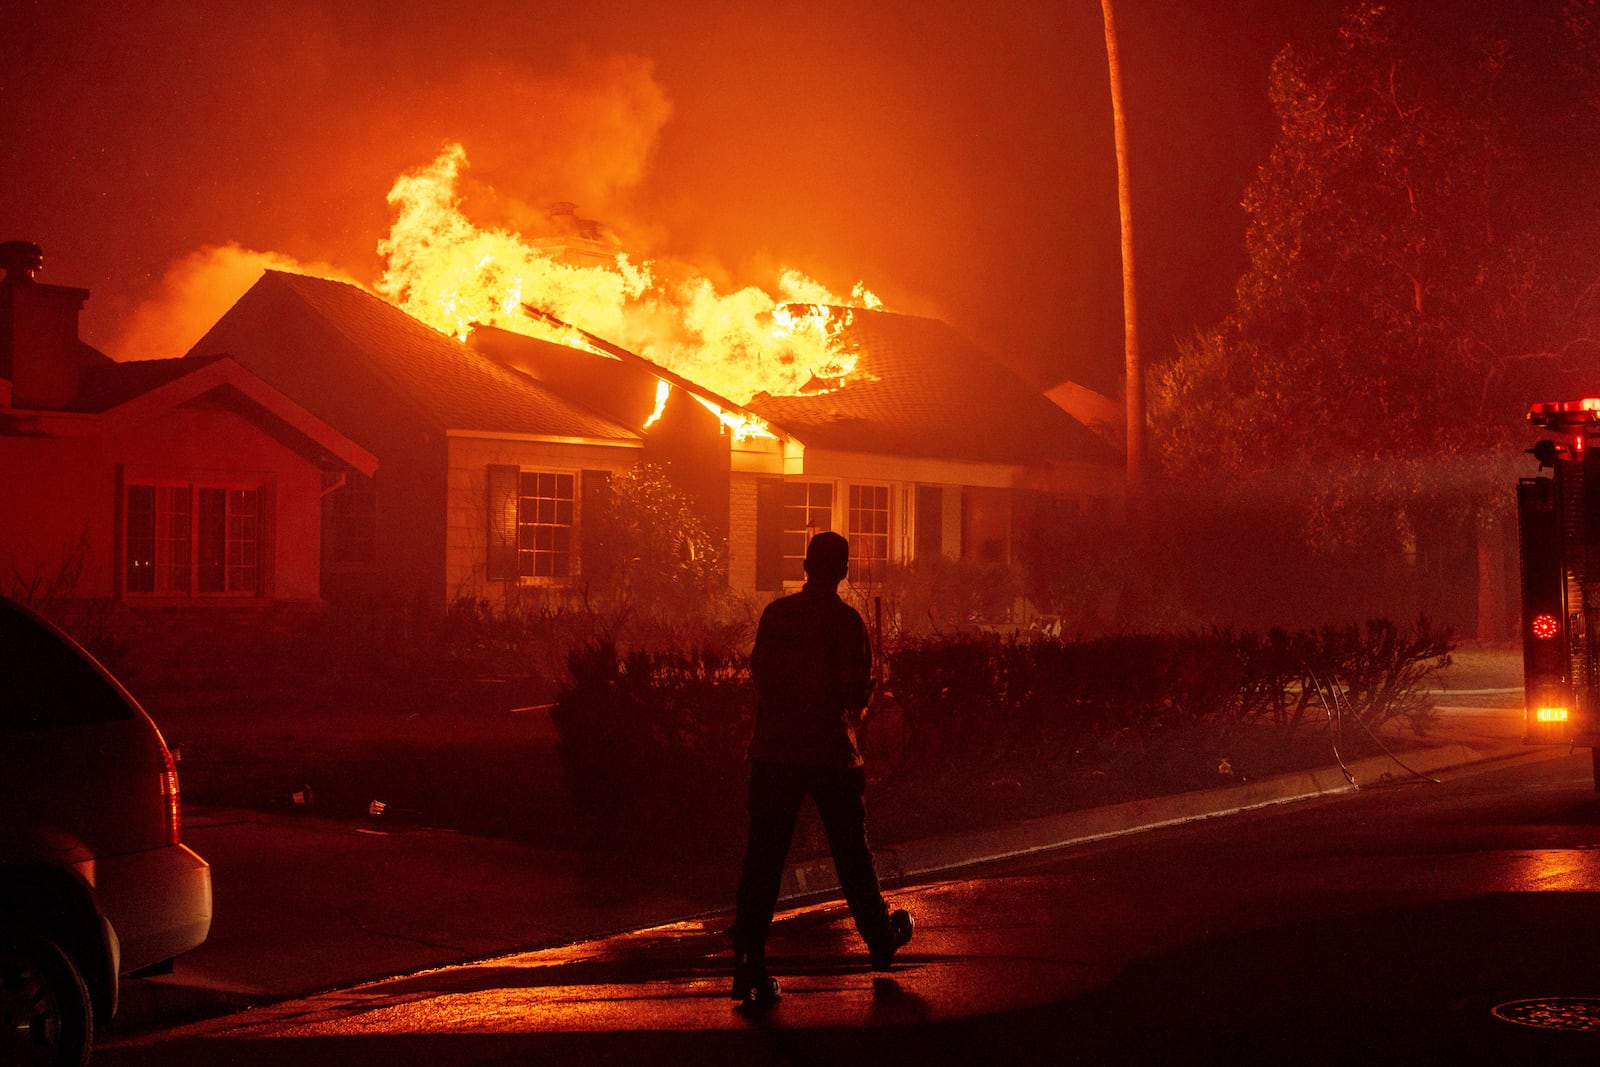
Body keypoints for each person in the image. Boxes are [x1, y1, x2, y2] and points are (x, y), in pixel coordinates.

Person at [729, 530, 912, 1006]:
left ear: (806, 567)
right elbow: (853, 695)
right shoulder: (847, 623)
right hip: (831, 752)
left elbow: (760, 674)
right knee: (852, 852)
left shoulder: (776, 616)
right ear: (843, 571)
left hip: (773, 752)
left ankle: (749, 958)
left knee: (763, 858)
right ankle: (878, 939)